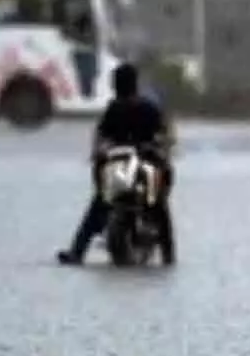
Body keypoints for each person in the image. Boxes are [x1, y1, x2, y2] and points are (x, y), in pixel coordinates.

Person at [56, 63, 176, 265]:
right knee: (154, 207)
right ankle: (168, 255)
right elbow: (101, 137)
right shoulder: (125, 108)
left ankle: (77, 252)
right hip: (123, 170)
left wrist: (159, 149)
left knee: (107, 204)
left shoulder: (129, 109)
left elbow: (101, 137)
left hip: (141, 168)